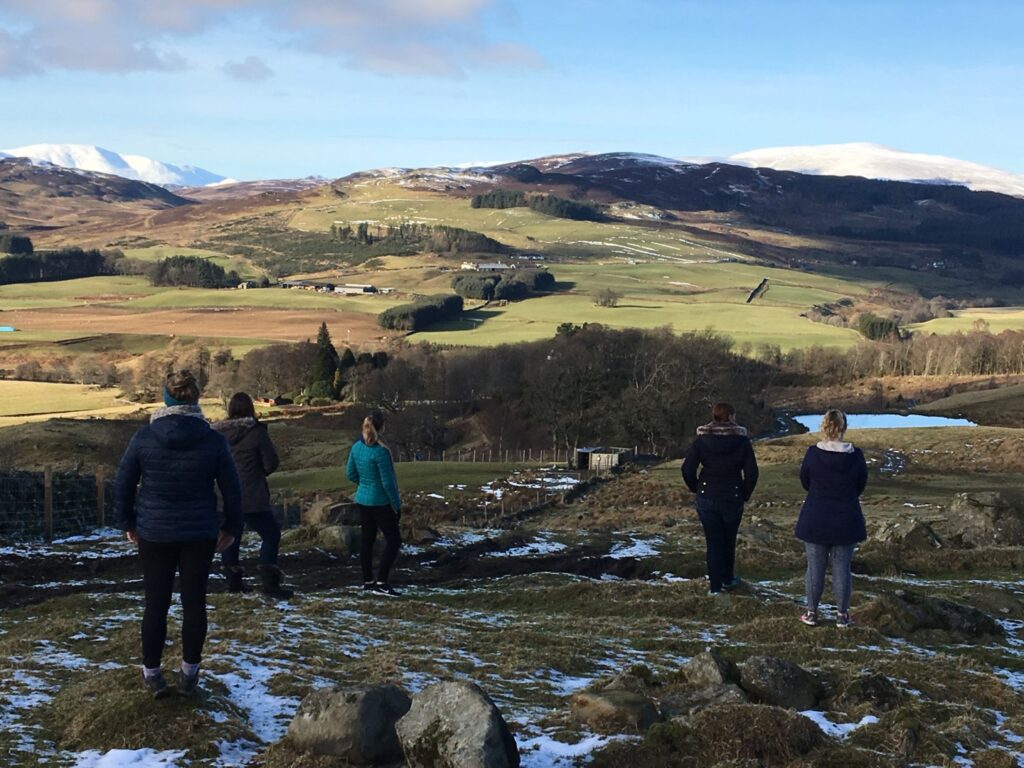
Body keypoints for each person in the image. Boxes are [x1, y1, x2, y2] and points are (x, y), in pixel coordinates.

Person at [116, 370, 242, 698]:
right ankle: (189, 674)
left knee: (155, 604)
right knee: (194, 603)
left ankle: (152, 674)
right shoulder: (213, 440)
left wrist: (128, 522)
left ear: (166, 398)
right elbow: (232, 488)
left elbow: (123, 483)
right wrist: (231, 527)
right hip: (199, 532)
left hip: (154, 531)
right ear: (196, 399)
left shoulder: (144, 437)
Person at [213, 392, 293, 598]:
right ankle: (269, 581)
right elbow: (271, 463)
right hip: (252, 494)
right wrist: (259, 472)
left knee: (230, 537)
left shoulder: (217, 435)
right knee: (271, 534)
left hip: (225, 495)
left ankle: (233, 583)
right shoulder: (256, 433)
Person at [795, 409, 867, 628]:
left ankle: (811, 613)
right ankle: (842, 615)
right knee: (842, 568)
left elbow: (805, 481)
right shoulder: (855, 456)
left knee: (815, 567)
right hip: (846, 519)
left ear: (824, 427)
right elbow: (860, 484)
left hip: (815, 517)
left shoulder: (812, 454)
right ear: (844, 428)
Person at [681, 402, 759, 594]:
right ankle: (727, 579)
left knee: (713, 542)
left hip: (707, 495)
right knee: (729, 540)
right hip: (733, 495)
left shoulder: (702, 440)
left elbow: (687, 469)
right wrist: (745, 493)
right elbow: (752, 473)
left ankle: (715, 587)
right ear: (731, 417)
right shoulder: (742, 441)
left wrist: (696, 487)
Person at [346, 411, 402, 596]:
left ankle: (368, 581)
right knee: (394, 541)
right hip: (381, 502)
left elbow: (350, 474)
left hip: (363, 500)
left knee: (367, 541)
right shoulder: (381, 452)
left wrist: (364, 484)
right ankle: (382, 581)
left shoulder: (356, 447)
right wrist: (396, 505)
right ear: (381, 427)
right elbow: (388, 483)